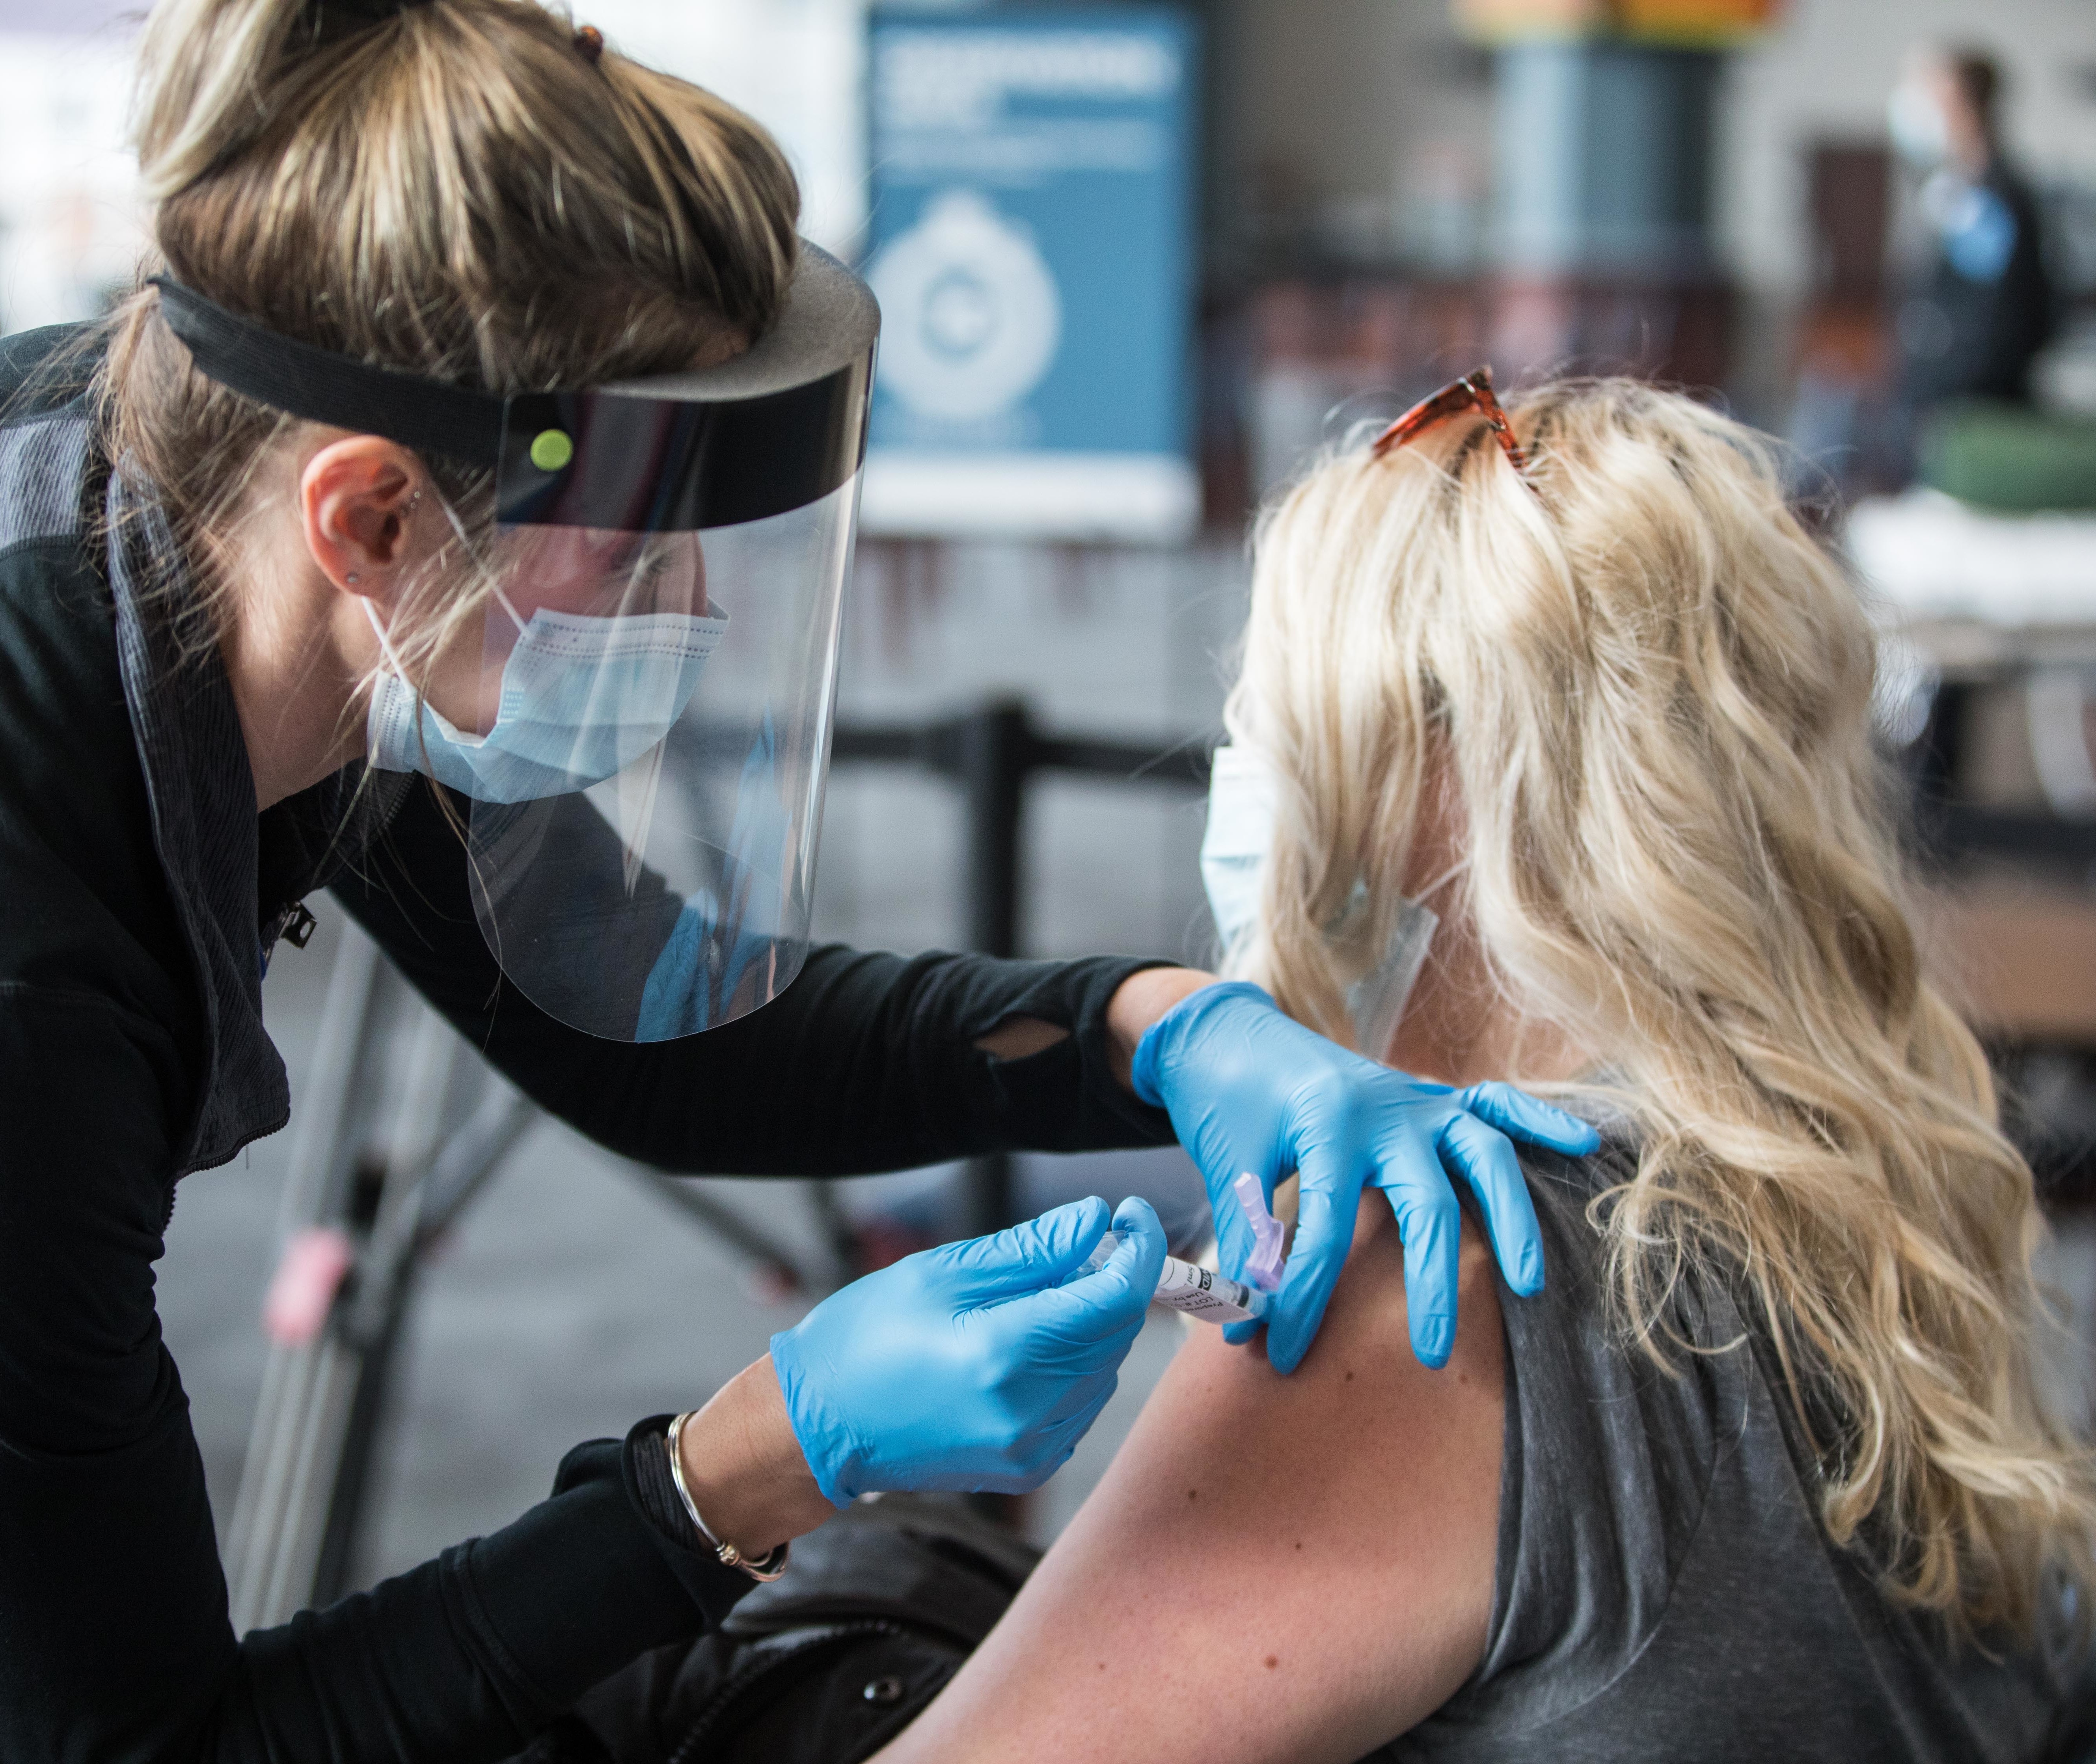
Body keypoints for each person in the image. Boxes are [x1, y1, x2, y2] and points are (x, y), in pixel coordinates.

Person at [0, 3, 1597, 1760]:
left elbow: (647, 1011)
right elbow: (150, 1742)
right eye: (635, 551)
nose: (689, 614)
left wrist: (1152, 1027)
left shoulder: (218, 498)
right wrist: (735, 1473)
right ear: (371, 516)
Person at [870, 373, 2096, 1763]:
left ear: (1439, 779)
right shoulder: (1864, 1187)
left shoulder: (1430, 1264)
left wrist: (721, 1489)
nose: (1249, 780)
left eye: (1277, 721)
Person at [1889, 45, 2056, 422]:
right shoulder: (1950, 188)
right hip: (1932, 402)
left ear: (1963, 105)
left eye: (1931, 93)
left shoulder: (1994, 200)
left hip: (1972, 412)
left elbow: (1996, 321)